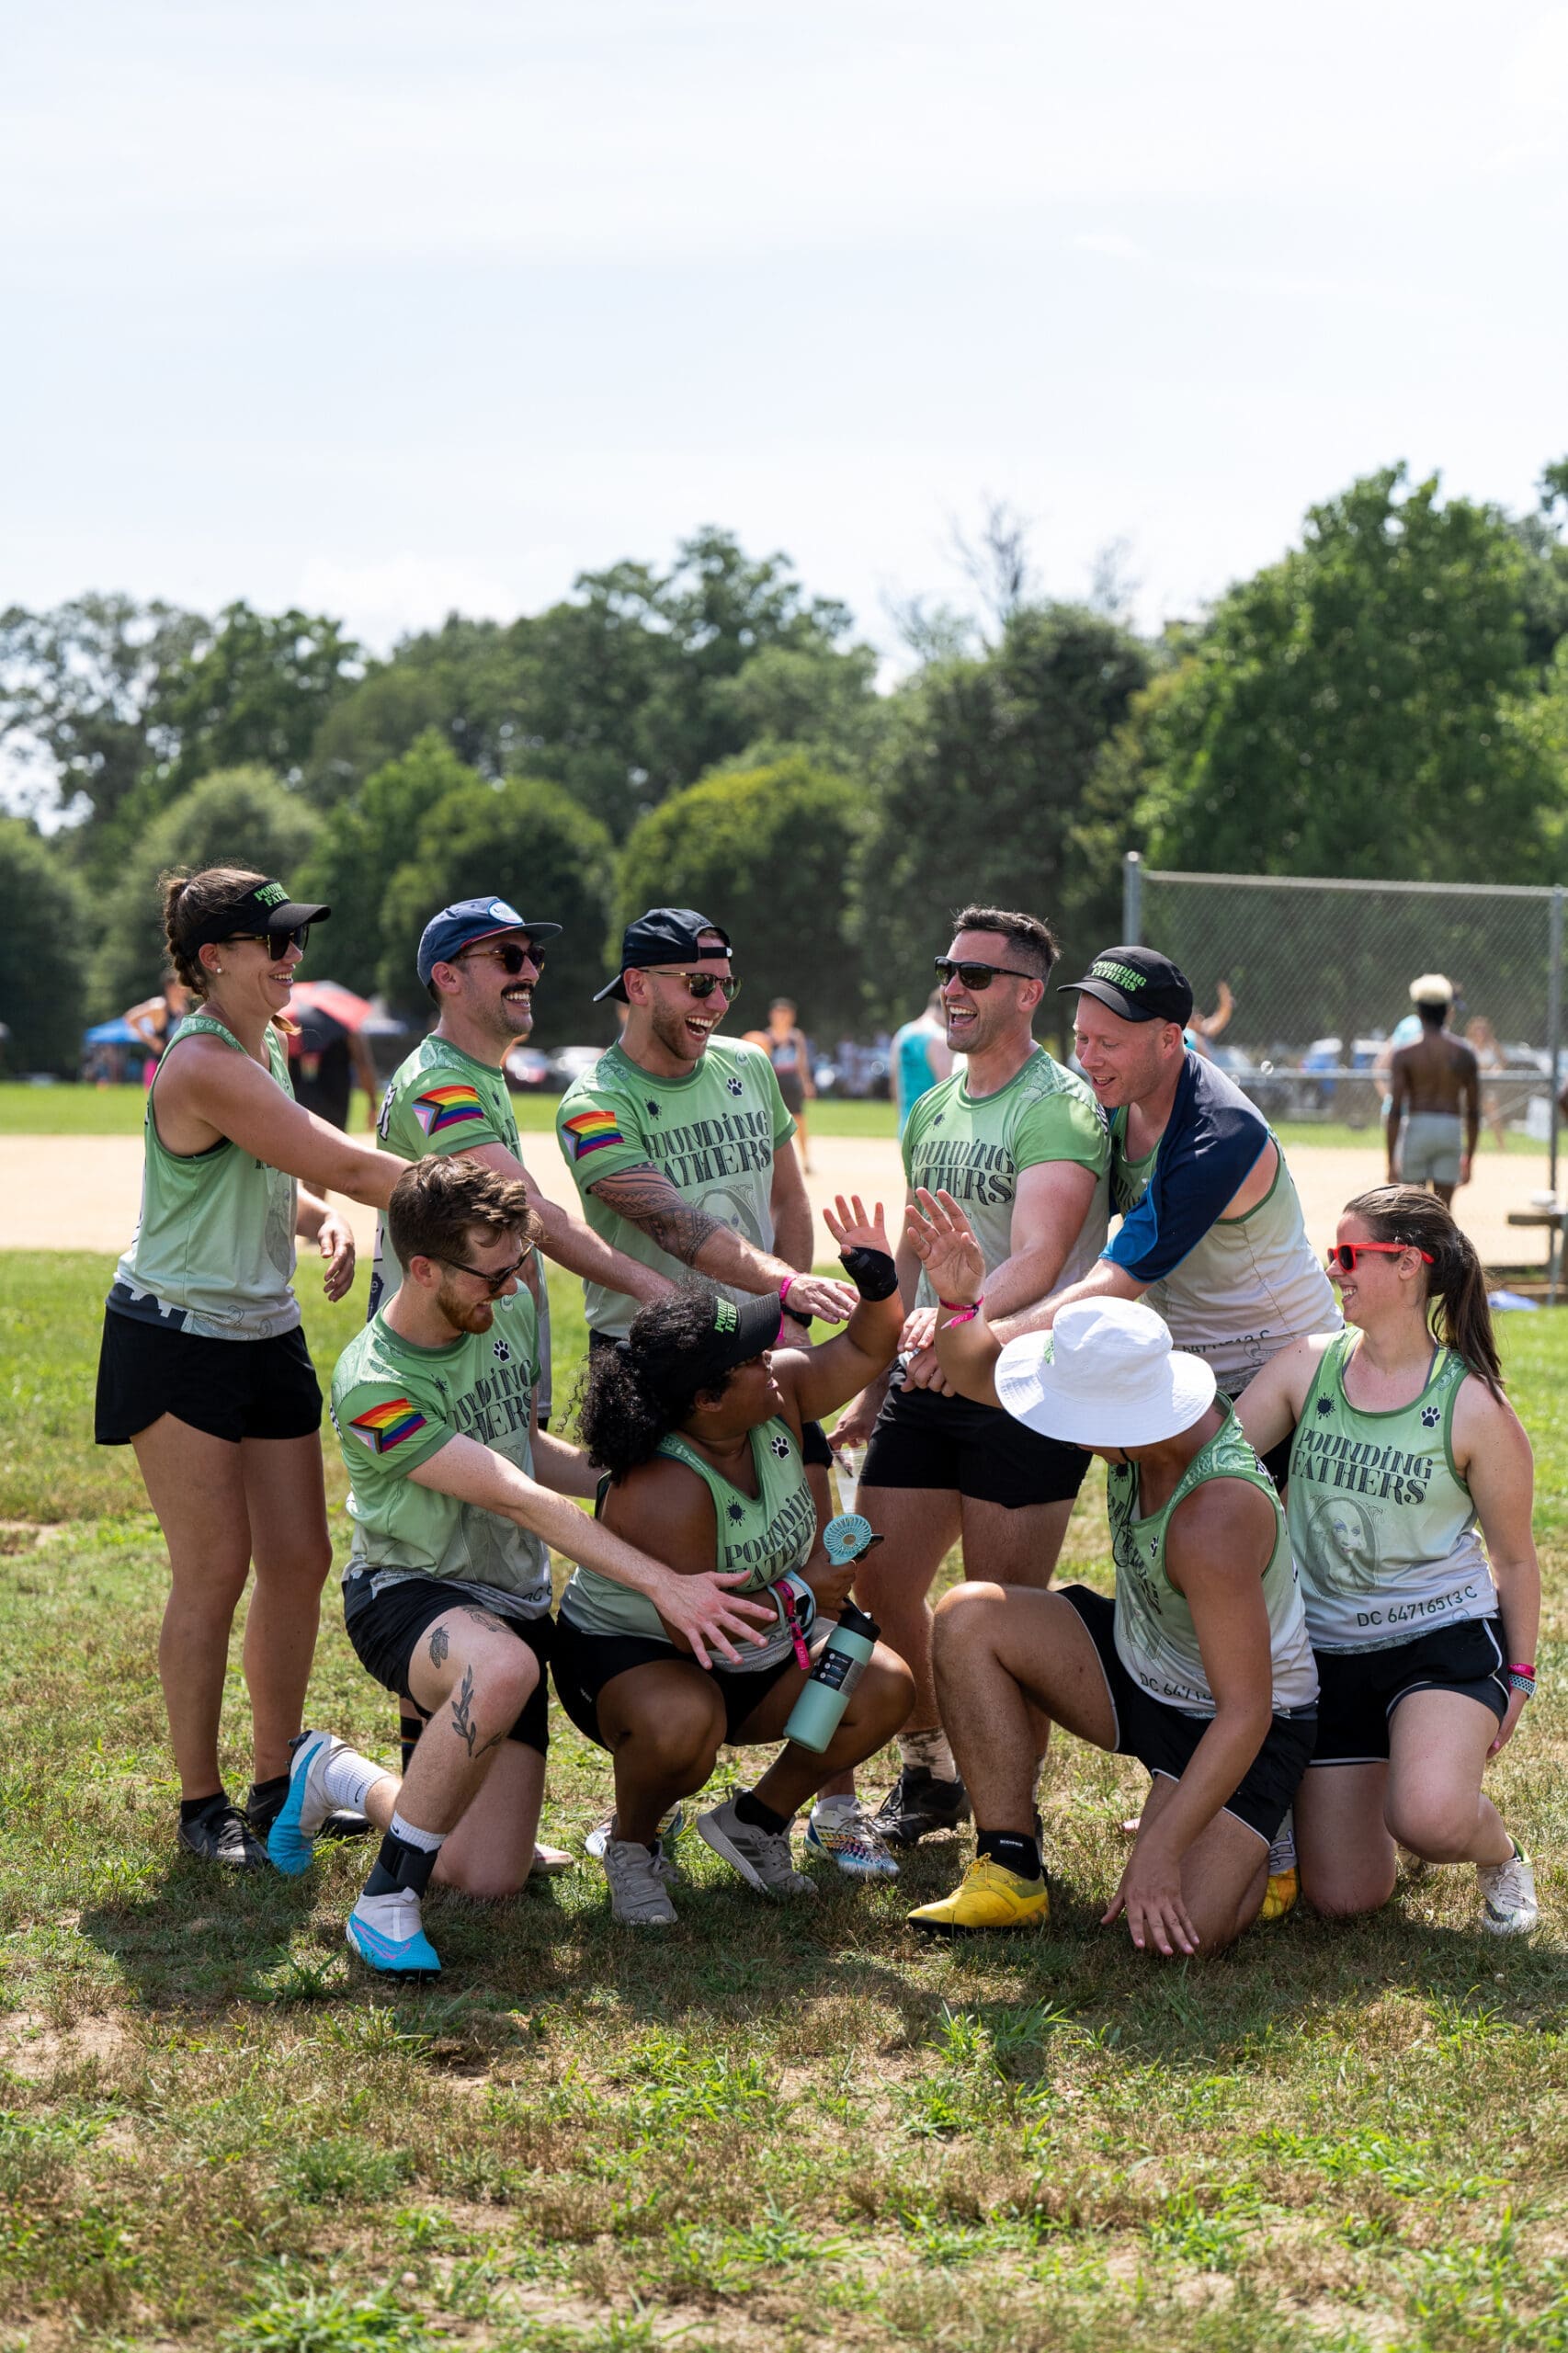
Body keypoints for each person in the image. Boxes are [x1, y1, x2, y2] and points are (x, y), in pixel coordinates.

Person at [267, 1154, 773, 1973]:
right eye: (492, 1276)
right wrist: (664, 1584)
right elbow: (510, 1494)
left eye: (518, 1268)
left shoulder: (500, 1311)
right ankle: (383, 1904)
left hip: (510, 1597)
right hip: (409, 1592)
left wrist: (648, 1472)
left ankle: (335, 1775)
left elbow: (523, 1451)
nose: (511, 1291)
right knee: (502, 1667)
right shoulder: (374, 1385)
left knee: (486, 1876)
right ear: (421, 1267)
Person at [999, 943, 1339, 1915]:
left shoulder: (1217, 1128)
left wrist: (993, 1336)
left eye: (1108, 1041)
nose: (1088, 1056)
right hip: (1175, 1383)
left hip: (1272, 1368)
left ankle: (1270, 1818)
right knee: (1174, 1590)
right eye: (1079, 1038)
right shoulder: (1109, 1106)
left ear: (1169, 1040)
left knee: (1269, 1609)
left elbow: (1120, 1275)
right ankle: (1201, 1780)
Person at [900, 1192, 1319, 1953]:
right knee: (967, 1616)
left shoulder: (1214, 1516)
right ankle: (1010, 1866)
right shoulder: (1147, 1420)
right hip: (1143, 1668)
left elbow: (1246, 1711)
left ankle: (1269, 1829)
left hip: (1243, 1721)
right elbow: (979, 1376)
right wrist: (961, 1304)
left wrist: (1160, 1852)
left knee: (1173, 1934)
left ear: (1119, 1426)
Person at [93, 868, 405, 1868]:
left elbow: (276, 1170)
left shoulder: (261, 1040)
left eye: (296, 940)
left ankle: (279, 1779)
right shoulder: (201, 1060)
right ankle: (201, 1803)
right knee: (215, 1568)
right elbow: (341, 1157)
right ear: (213, 957)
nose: (293, 959)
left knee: (301, 1558)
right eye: (274, 943)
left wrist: (314, 1223)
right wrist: (469, 1185)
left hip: (263, 1331)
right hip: (173, 1333)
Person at [372, 892, 680, 1872]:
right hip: (442, 1388)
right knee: (453, 1553)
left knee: (490, 1877)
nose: (528, 971)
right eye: (504, 954)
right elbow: (532, 1213)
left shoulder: (479, 1077)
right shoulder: (440, 1082)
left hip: (499, 1384)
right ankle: (331, 1776)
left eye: (532, 955)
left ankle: (444, 1793)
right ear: (446, 977)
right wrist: (654, 1287)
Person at [828, 906, 1110, 1852]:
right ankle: (931, 1765)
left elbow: (1038, 1253)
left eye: (975, 975)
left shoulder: (1059, 1105)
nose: (951, 987)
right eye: (946, 969)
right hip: (926, 1372)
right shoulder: (931, 1106)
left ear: (1027, 992)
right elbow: (918, 1255)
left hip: (1019, 1379)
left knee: (998, 1610)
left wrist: (959, 1324)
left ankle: (1008, 1830)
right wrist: (876, 1381)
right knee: (876, 1571)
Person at [551, 1198, 915, 1924]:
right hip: (642, 1661)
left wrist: (876, 1281)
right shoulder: (665, 1490)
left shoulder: (773, 1395)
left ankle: (755, 1822)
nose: (772, 1357)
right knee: (687, 1725)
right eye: (749, 1358)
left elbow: (870, 1349)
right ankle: (632, 1845)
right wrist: (810, 1590)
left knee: (879, 1687)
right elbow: (704, 1635)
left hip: (754, 1644)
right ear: (707, 1400)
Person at [1234, 1186, 1539, 1934]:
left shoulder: (1473, 1406)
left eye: (1348, 1256)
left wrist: (1522, 1677)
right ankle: (1366, 1788)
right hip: (1325, 1655)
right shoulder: (1306, 1367)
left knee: (1430, 1823)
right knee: (1344, 1897)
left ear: (1408, 1265)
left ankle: (1498, 1851)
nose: (1332, 1271)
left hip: (1438, 1643)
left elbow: (1515, 1559)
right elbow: (1217, 1459)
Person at [1387, 975, 1480, 1209]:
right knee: (1443, 1211)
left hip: (1417, 1126)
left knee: (1413, 1209)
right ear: (1448, 1011)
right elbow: (1474, 1110)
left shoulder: (1405, 1054)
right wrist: (1470, 1156)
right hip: (1450, 1128)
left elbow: (1395, 1109)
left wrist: (1390, 1160)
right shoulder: (1463, 1052)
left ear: (1419, 1012)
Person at [290, 1018, 380, 1132]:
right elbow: (363, 1065)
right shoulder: (345, 1023)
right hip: (335, 1101)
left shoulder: (292, 1022)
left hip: (298, 1101)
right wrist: (372, 1103)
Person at [891, 991, 953, 1136]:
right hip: (932, 1129)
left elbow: (894, 1082)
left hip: (906, 1126)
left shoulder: (902, 1033)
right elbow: (946, 1088)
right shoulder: (939, 1038)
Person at [763, 997, 815, 1172]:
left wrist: (806, 1082)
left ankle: (806, 1159)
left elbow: (801, 1063)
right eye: (779, 1014)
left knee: (799, 1120)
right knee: (770, 1123)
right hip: (775, 1082)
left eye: (786, 1014)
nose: (782, 1018)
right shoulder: (766, 1037)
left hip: (791, 1081)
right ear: (772, 1016)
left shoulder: (796, 1036)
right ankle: (771, 1162)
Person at [122, 970, 193, 1086]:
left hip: (175, 1063)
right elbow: (130, 1018)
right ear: (170, 987)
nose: (186, 990)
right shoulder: (159, 1006)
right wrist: (151, 1041)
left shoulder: (183, 1008)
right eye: (182, 985)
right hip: (157, 1065)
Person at [1464, 1015, 1509, 1152]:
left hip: (1488, 1084)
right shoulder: (1469, 1045)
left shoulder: (1492, 1044)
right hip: (1473, 1084)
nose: (1480, 1033)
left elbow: (1503, 1061)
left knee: (1494, 1114)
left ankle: (1501, 1146)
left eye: (1483, 1030)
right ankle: (1472, 1146)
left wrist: (1497, 1068)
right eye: (1477, 1029)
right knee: (1472, 1115)